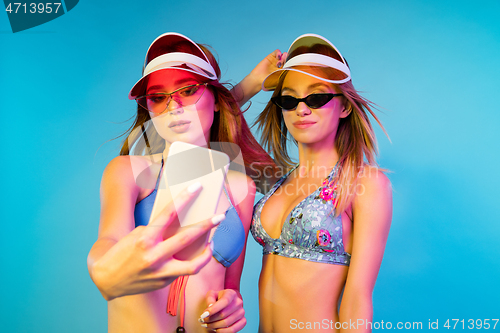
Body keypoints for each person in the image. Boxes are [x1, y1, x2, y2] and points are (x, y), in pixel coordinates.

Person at [87, 32, 280, 333]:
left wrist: (232, 305)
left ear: (216, 101)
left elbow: (231, 288)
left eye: (188, 90)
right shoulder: (129, 172)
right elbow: (107, 245)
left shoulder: (241, 187)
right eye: (158, 97)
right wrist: (103, 271)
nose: (174, 107)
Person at [250, 34, 393, 332]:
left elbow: (357, 298)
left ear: (345, 107)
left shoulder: (364, 183)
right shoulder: (274, 178)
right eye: (289, 99)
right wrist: (250, 85)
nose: (302, 109)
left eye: (316, 97)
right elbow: (210, 139)